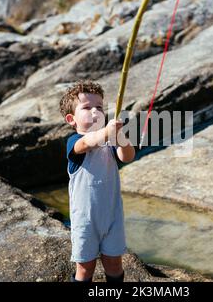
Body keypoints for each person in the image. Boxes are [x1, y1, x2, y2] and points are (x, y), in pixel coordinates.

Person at [59, 80, 135, 282]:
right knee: (85, 268)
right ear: (71, 119)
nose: (95, 111)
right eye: (87, 107)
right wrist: (106, 132)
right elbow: (88, 142)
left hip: (112, 216)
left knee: (114, 263)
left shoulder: (109, 142)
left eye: (99, 107)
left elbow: (127, 156)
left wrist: (120, 137)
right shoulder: (74, 142)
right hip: (85, 220)